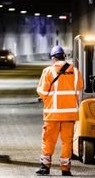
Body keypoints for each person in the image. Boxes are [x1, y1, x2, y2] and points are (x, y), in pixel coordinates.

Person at [36, 46, 83, 176]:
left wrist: (45, 98)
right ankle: (65, 169)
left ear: (53, 58)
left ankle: (45, 167)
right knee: (67, 142)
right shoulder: (75, 71)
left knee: (48, 140)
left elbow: (43, 92)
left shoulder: (48, 71)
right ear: (64, 57)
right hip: (69, 114)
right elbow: (78, 91)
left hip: (53, 114)